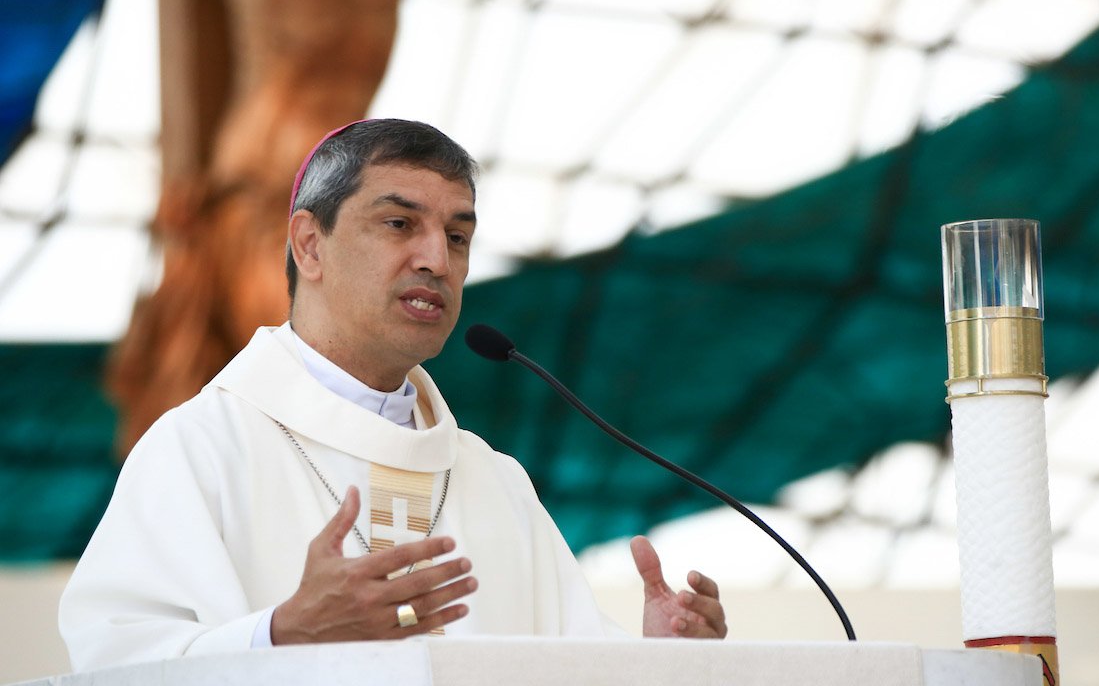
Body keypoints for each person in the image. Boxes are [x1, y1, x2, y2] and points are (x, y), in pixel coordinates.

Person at [59, 119, 726, 671]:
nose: (437, 258)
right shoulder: (204, 446)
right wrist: (283, 635)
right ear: (309, 244)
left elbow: (565, 666)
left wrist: (660, 664)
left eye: (458, 237)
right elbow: (112, 662)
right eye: (400, 225)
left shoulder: (493, 480)